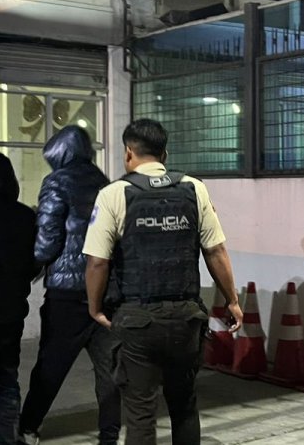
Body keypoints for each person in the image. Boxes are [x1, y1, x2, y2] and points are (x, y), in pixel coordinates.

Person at [83, 119, 245, 445]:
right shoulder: (194, 189)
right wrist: (232, 300)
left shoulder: (113, 194)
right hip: (186, 318)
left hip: (137, 320)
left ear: (128, 153)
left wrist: (95, 308)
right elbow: (215, 250)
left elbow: (97, 262)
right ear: (165, 154)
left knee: (141, 413)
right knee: (184, 406)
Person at [19, 126, 120, 445]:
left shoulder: (57, 182)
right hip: (107, 290)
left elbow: (47, 242)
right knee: (110, 371)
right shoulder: (106, 183)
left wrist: (30, 267)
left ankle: (29, 427)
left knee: (51, 366)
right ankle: (109, 436)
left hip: (68, 292)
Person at [0, 151, 39, 444]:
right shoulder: (25, 216)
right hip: (10, 311)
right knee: (7, 380)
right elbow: (35, 262)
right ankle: (5, 439)